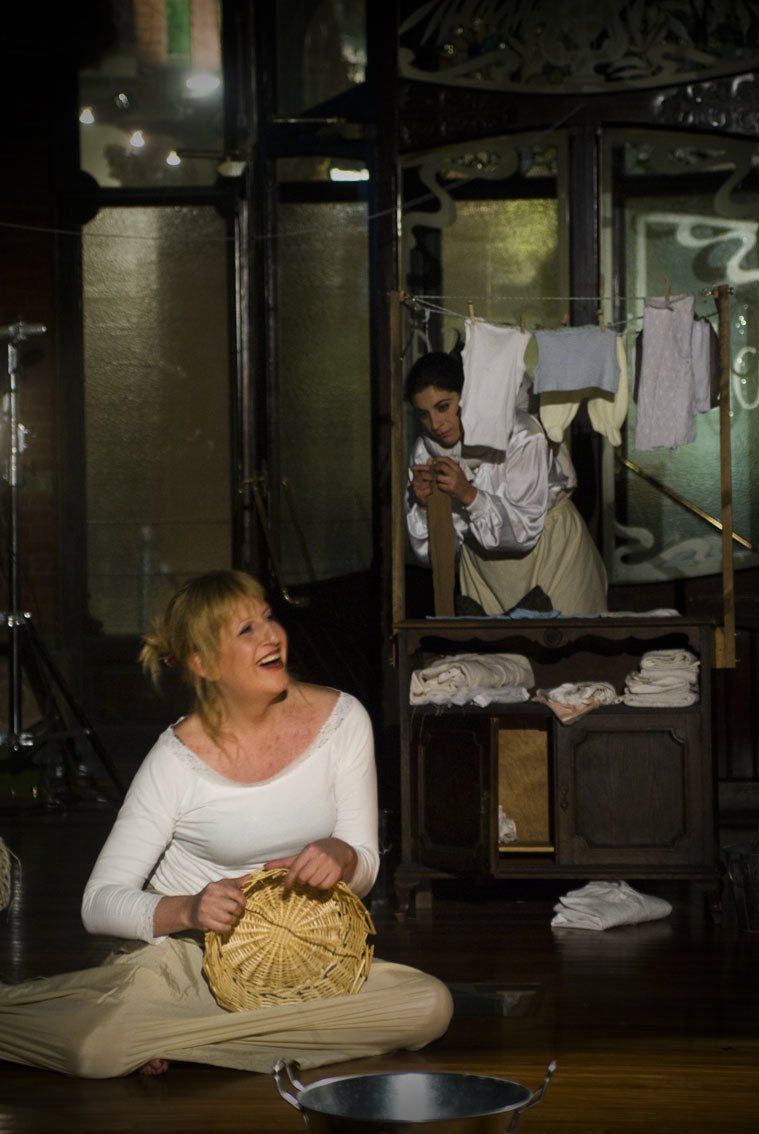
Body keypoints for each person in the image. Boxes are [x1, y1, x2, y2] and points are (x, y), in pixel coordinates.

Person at [0, 570, 452, 1078]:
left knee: (428, 1005)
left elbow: (364, 866)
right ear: (204, 663)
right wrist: (189, 908)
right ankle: (184, 1030)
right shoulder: (175, 761)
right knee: (97, 1051)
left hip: (301, 961)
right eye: (246, 630)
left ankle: (179, 1038)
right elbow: (99, 902)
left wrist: (343, 856)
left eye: (268, 617)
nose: (271, 635)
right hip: (185, 965)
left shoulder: (343, 720)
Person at [405, 348, 608, 616]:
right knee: (492, 643)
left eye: (443, 407)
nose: (435, 424)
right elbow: (435, 556)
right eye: (423, 414)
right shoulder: (425, 451)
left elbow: (524, 530)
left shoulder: (520, 433)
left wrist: (467, 494)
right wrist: (426, 507)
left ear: (467, 396)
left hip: (550, 552)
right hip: (484, 573)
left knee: (564, 636)